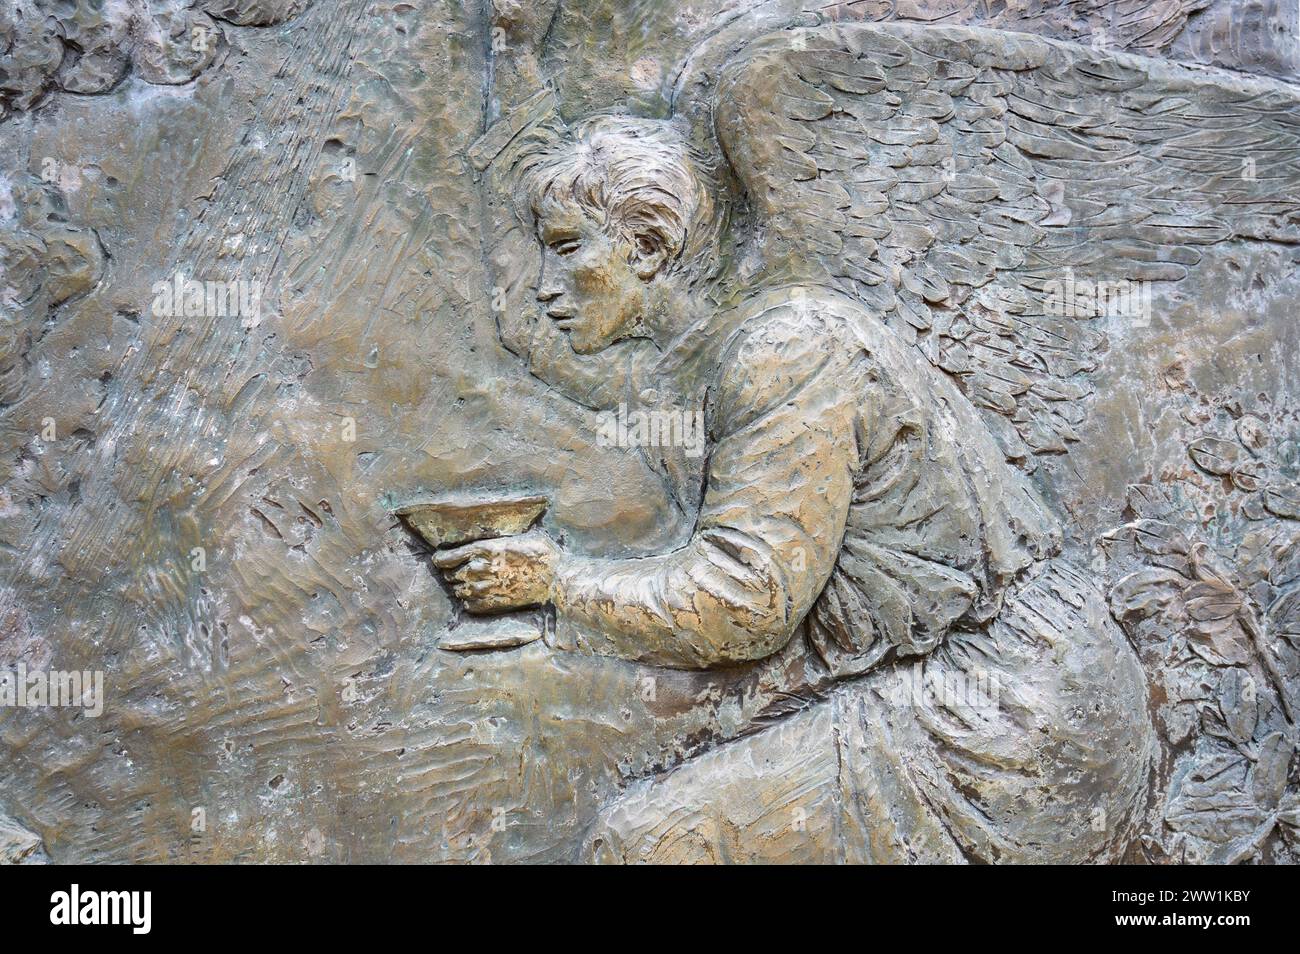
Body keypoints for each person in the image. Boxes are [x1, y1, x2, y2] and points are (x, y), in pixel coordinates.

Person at [435, 116, 1154, 863]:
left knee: (647, 847)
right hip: (945, 678)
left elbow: (747, 603)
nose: (546, 288)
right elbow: (525, 348)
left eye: (565, 249)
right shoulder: (697, 363)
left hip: (1010, 712)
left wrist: (555, 583)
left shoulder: (786, 350)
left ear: (646, 249)